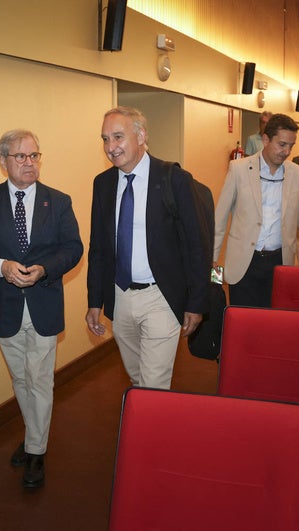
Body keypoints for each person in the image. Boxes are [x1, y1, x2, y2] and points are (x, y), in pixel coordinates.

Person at [0, 129, 83, 489]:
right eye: (21, 157)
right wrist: (1, 266)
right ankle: (34, 435)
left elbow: (73, 248)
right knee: (20, 379)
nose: (30, 163)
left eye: (35, 156)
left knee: (40, 379)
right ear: (3, 162)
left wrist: (45, 269)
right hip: (5, 306)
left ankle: (36, 453)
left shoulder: (58, 202)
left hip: (44, 302)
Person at [86, 106, 208, 390]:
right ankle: (151, 423)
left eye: (118, 137)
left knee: (153, 384)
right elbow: (98, 248)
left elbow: (197, 244)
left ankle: (150, 433)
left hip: (160, 296)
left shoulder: (174, 180)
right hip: (120, 296)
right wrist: (95, 300)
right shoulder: (102, 185)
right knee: (138, 377)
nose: (110, 147)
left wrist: (196, 302)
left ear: (141, 136)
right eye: (105, 139)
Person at [214, 113, 299, 308]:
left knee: (275, 324)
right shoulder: (238, 169)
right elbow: (219, 221)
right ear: (265, 139)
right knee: (242, 322)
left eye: (291, 146)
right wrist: (212, 264)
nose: (287, 151)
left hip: (280, 263)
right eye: (282, 144)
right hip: (243, 264)